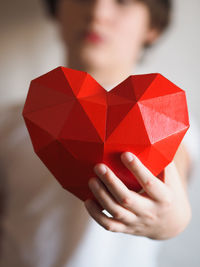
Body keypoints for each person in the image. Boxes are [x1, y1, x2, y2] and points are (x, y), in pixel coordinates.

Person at [0, 0, 198, 266]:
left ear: (153, 26)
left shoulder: (165, 117)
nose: (97, 11)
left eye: (122, 1)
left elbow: (175, 174)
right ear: (57, 8)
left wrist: (171, 220)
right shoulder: (9, 123)